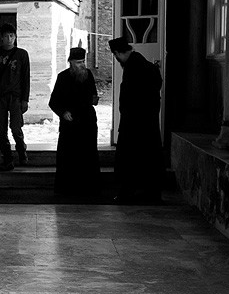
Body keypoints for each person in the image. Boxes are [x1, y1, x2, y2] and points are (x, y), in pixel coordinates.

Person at [109, 34, 164, 204]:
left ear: (118, 53)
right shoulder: (146, 65)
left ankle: (128, 193)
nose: (117, 59)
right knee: (148, 159)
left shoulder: (134, 67)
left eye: (116, 55)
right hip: (148, 123)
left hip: (135, 124)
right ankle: (150, 193)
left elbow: (131, 97)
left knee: (130, 160)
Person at [49, 46, 100, 196]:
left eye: (83, 61)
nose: (82, 65)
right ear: (70, 62)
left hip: (87, 122)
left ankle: (89, 189)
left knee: (88, 156)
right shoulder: (63, 77)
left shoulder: (88, 74)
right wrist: (63, 113)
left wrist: (94, 100)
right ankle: (68, 190)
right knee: (68, 158)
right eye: (78, 62)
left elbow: (93, 95)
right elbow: (53, 102)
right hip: (70, 124)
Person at [0, 23, 30, 171]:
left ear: (15, 37)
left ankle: (21, 151)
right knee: (1, 131)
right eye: (6, 36)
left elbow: (26, 78)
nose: (9, 39)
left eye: (11, 36)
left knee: (16, 128)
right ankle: (7, 159)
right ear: (1, 38)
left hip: (15, 96)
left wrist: (25, 99)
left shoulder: (22, 54)